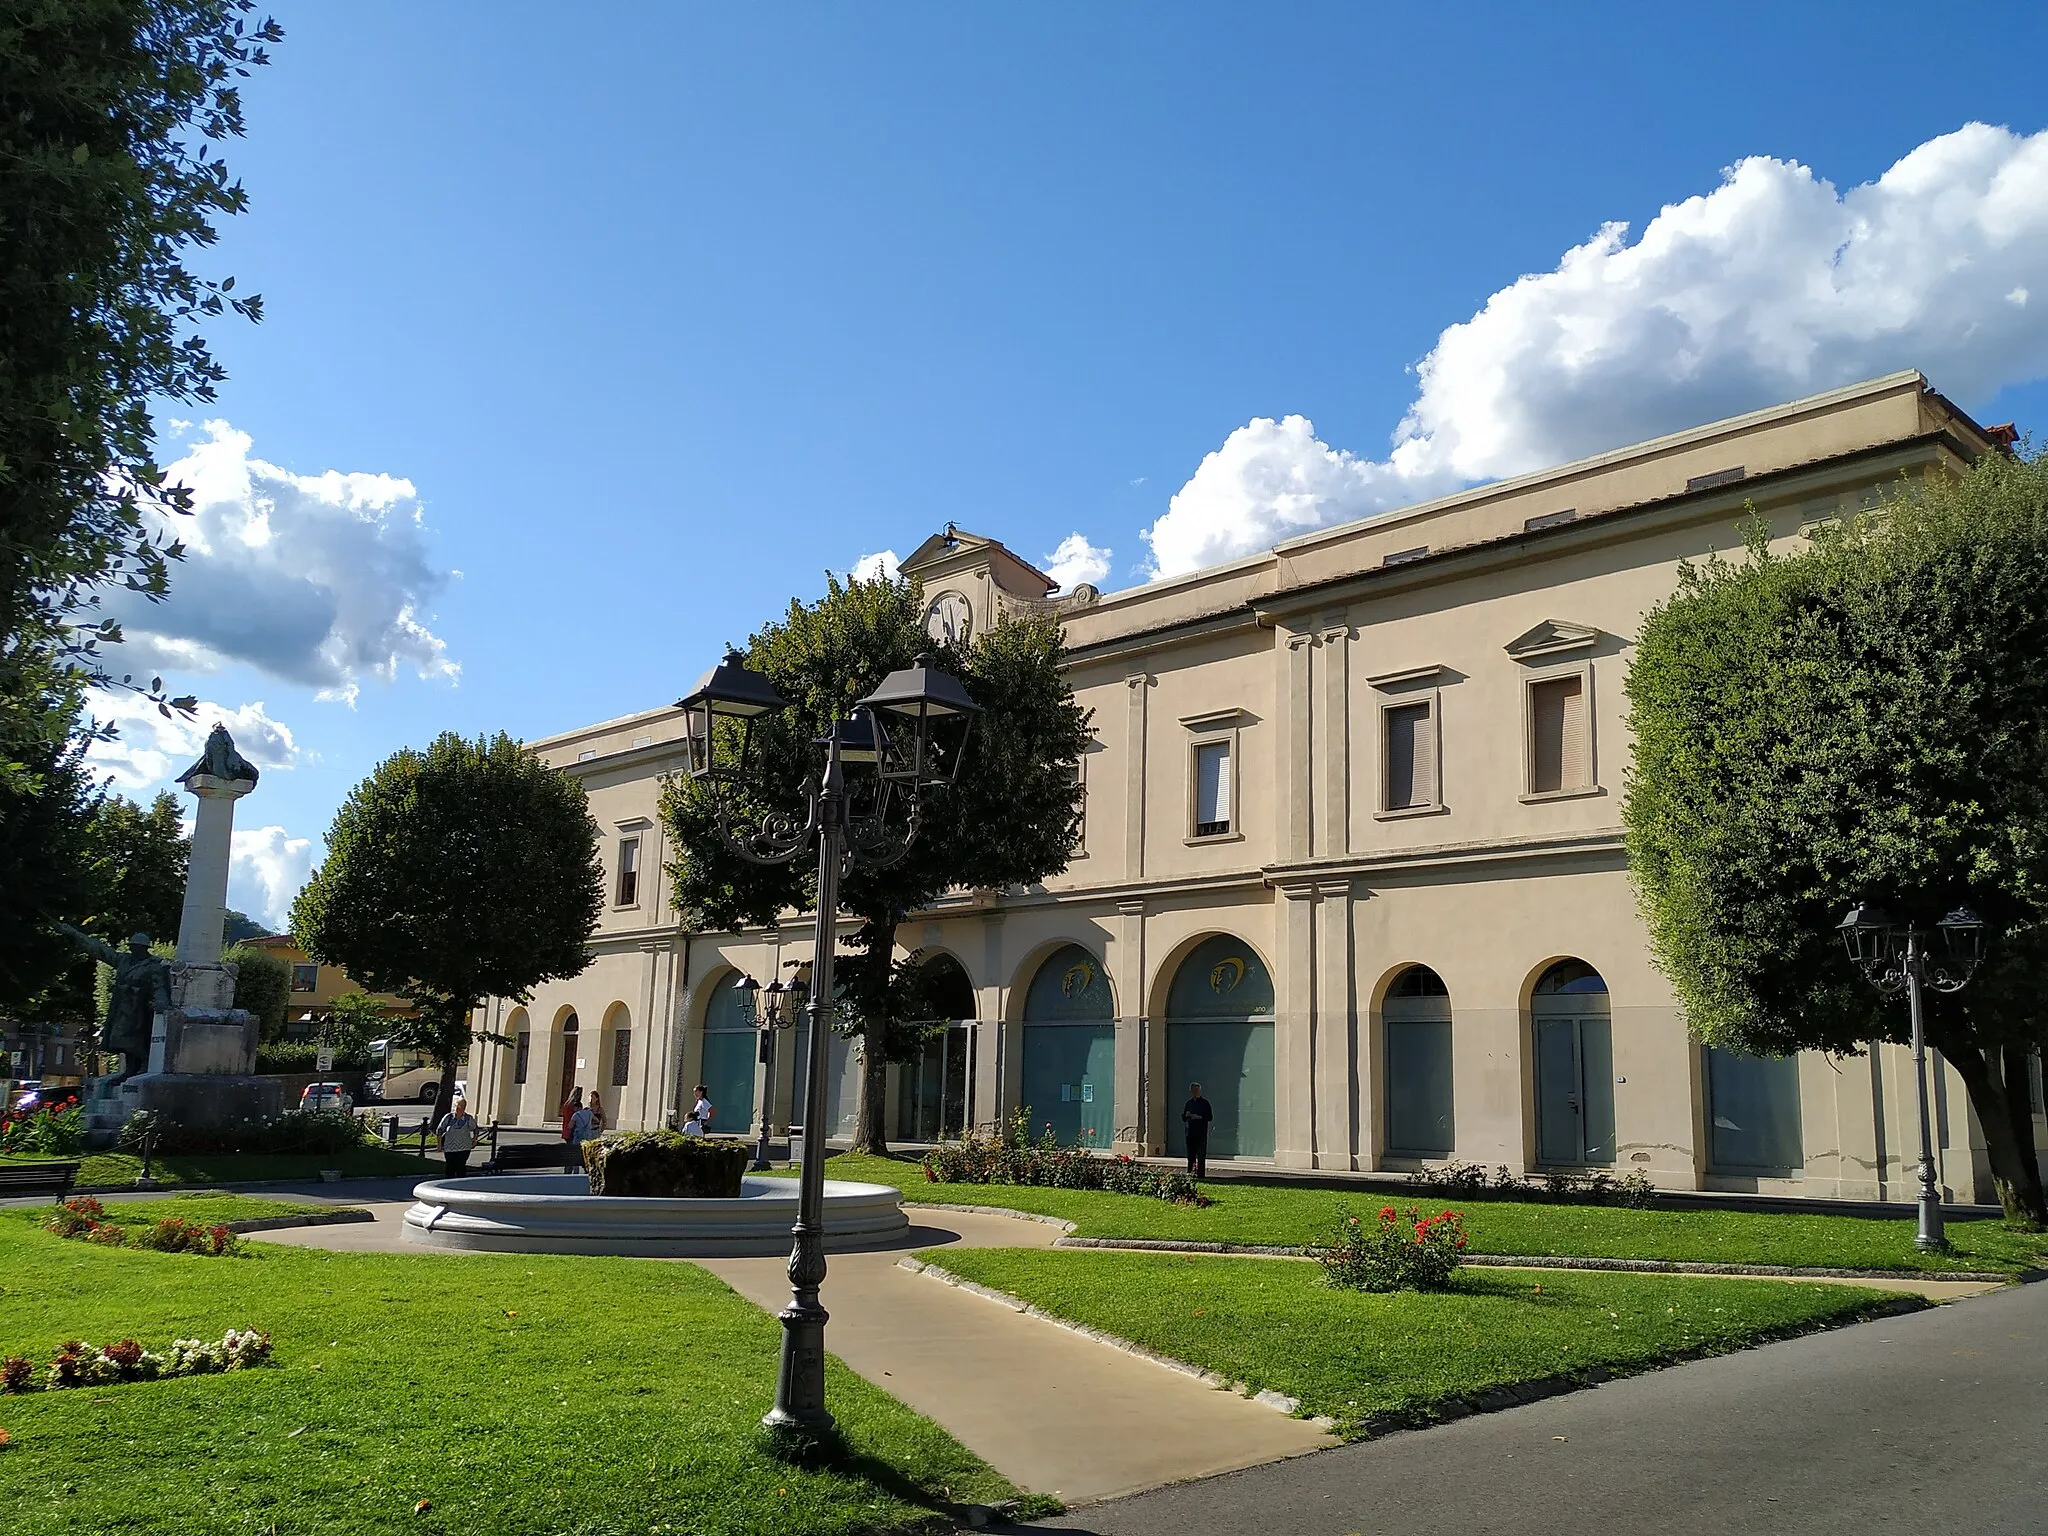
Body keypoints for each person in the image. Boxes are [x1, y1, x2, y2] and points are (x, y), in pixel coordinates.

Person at [436, 1095, 480, 1176]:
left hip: (464, 1148)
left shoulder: (468, 1118)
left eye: (461, 1106)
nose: (458, 1108)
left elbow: (476, 1129)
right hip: (450, 1148)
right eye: (457, 1105)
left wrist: (474, 1140)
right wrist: (439, 1145)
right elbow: (439, 1130)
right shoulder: (448, 1117)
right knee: (450, 1168)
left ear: (464, 1107)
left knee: (461, 1167)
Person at [1181, 1081, 1214, 1179]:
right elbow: (1183, 1118)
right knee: (1190, 1155)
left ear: (1199, 1091)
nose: (1195, 1092)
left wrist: (1199, 1117)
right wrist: (1186, 1115)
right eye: (1193, 1091)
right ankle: (1190, 1172)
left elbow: (1210, 1117)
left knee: (1201, 1154)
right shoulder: (1189, 1103)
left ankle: (1200, 1174)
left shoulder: (1205, 1103)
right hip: (1190, 1132)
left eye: (1196, 1090)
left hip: (1201, 1132)